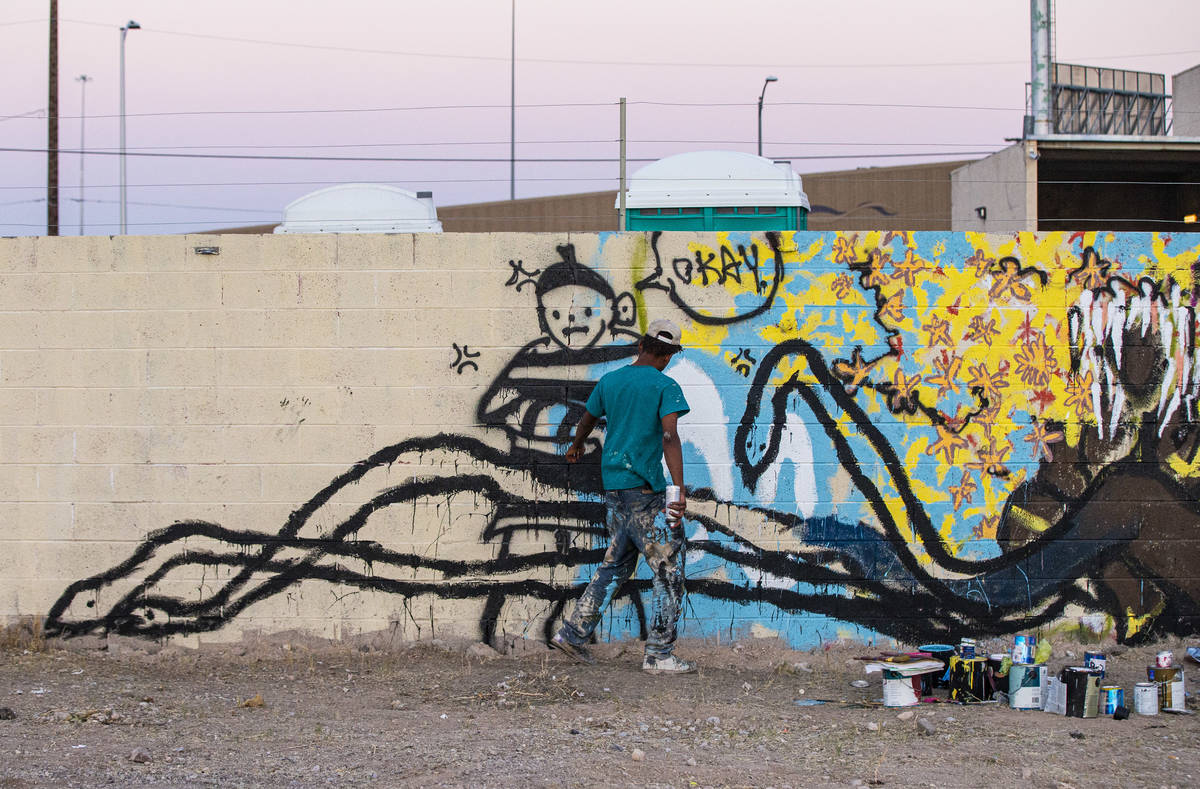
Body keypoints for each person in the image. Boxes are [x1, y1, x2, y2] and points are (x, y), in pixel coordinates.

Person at [549, 318, 695, 674]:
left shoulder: (610, 381)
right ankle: (659, 654)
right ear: (668, 356)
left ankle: (572, 635)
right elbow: (669, 437)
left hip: (615, 491)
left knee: (614, 566)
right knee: (669, 570)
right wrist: (677, 488)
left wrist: (576, 446)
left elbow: (586, 419)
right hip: (646, 494)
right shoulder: (665, 385)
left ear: (641, 346)